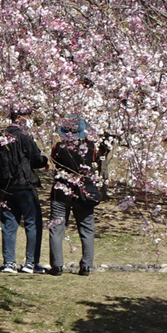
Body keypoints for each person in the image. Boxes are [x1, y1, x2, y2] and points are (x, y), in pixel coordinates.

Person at [47, 116, 106, 276]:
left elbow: (54, 162)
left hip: (61, 192)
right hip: (84, 192)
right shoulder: (90, 146)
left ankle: (57, 265)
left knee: (57, 228)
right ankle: (86, 265)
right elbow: (94, 160)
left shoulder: (58, 147)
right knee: (87, 229)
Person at [0, 106, 49, 274]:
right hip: (24, 185)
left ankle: (9, 263)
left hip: (6, 186)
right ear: (19, 118)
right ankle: (31, 263)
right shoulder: (24, 137)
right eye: (27, 116)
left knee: (9, 224)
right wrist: (45, 161)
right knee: (32, 223)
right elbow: (36, 159)